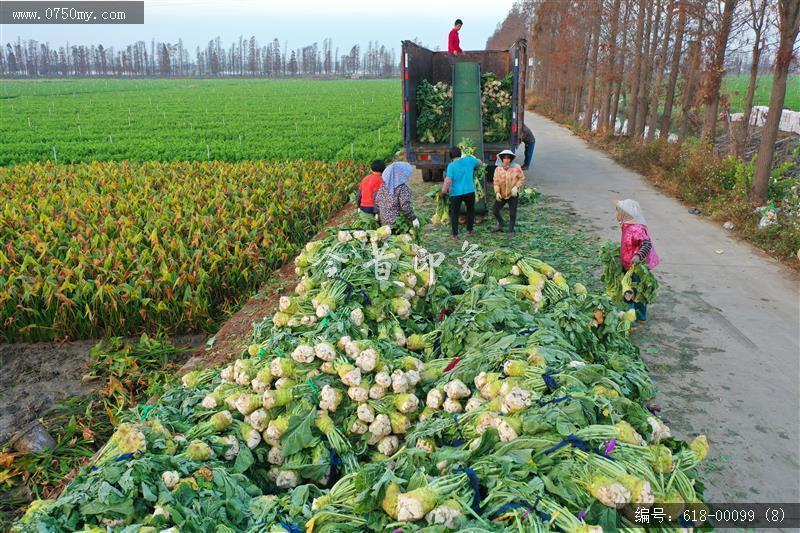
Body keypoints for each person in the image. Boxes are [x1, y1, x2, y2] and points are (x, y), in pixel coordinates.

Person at [616, 199, 660, 330]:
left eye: (618, 212)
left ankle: (631, 322)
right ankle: (641, 316)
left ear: (626, 214)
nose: (616, 215)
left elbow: (646, 244)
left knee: (629, 293)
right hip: (628, 265)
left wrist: (638, 256)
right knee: (638, 292)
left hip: (636, 268)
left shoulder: (636, 229)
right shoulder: (627, 226)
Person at [443, 146, 481, 240]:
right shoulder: (469, 160)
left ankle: (455, 235)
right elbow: (479, 162)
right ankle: (470, 230)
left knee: (455, 213)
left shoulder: (451, 166)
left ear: (450, 156)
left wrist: (444, 190)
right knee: (470, 210)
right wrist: (475, 165)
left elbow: (448, 180)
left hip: (456, 193)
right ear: (460, 153)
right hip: (469, 191)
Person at [374, 162, 420, 229]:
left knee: (388, 238)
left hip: (384, 220)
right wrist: (413, 218)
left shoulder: (384, 185)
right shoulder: (402, 188)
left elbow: (377, 200)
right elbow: (405, 205)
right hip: (397, 223)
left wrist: (377, 213)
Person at [492, 149, 525, 236]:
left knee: (512, 213)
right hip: (502, 194)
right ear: (501, 159)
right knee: (495, 210)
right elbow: (496, 182)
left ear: (511, 159)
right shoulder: (498, 169)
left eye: (508, 158)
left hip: (513, 194)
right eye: (505, 158)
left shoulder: (516, 167)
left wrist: (516, 187)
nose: (506, 160)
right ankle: (501, 223)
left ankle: (511, 230)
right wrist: (497, 192)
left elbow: (521, 178)